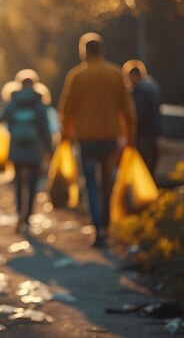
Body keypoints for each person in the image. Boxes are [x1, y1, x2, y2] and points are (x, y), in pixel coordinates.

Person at [59, 33, 136, 247]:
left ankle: (98, 229)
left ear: (84, 52)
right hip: (110, 138)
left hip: (86, 140)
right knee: (107, 183)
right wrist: (130, 140)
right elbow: (129, 111)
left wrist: (65, 137)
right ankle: (107, 224)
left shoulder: (77, 76)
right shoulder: (115, 74)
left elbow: (66, 111)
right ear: (101, 50)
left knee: (91, 185)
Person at [0, 77, 52, 233]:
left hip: (17, 149)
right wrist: (49, 149)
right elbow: (45, 129)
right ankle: (28, 219)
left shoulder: (13, 102)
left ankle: (19, 218)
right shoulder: (39, 103)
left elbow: (0, 119)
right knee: (33, 185)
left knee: (19, 184)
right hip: (35, 150)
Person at [123, 59, 162, 174]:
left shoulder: (139, 91)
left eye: (128, 77)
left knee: (141, 172)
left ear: (134, 75)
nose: (128, 81)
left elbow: (138, 115)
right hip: (153, 137)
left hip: (143, 137)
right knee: (150, 173)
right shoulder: (152, 87)